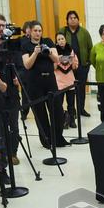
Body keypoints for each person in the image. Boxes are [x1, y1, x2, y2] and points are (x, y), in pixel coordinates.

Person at [21, 21, 68, 149]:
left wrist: (49, 52)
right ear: (30, 31)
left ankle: (58, 138)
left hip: (50, 81)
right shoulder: (25, 45)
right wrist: (35, 53)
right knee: (40, 113)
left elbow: (57, 60)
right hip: (34, 84)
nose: (38, 33)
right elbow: (27, 65)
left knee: (57, 110)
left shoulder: (47, 41)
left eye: (40, 31)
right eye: (35, 30)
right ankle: (47, 140)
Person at [0, 13, 22, 165]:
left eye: (3, 25)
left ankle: (12, 153)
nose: (1, 28)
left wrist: (17, 77)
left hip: (12, 92)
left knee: (13, 125)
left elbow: (21, 64)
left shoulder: (12, 44)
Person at [59, 10, 93, 117]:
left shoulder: (84, 32)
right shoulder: (63, 31)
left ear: (78, 19)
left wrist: (88, 63)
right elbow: (57, 46)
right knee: (69, 90)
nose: (73, 20)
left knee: (81, 89)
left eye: (75, 18)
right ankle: (71, 112)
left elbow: (90, 48)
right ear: (67, 20)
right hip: (67, 67)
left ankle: (81, 109)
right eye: (70, 18)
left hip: (82, 66)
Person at [54, 32, 78, 129]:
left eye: (62, 39)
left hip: (70, 80)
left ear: (65, 40)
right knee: (59, 103)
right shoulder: (54, 51)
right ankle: (63, 119)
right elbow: (53, 67)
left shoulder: (71, 50)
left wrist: (72, 62)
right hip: (59, 81)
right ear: (56, 41)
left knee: (71, 103)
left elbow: (75, 66)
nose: (61, 41)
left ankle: (72, 120)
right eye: (58, 39)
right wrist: (57, 60)